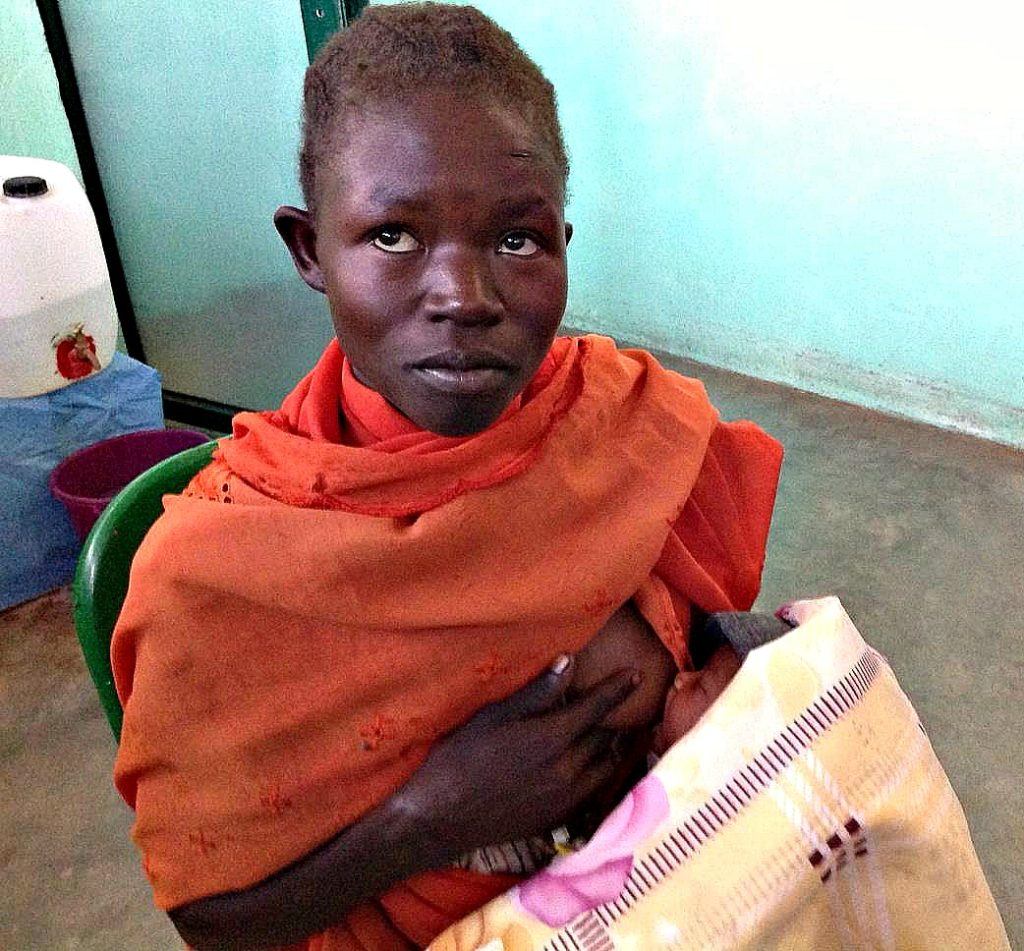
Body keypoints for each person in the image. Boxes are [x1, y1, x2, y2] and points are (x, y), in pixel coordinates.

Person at [110, 5, 783, 949]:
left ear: (562, 243)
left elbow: (704, 639)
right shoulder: (220, 570)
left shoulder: (626, 426)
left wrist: (735, 680)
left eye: (516, 240)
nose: (464, 298)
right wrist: (430, 815)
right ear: (310, 251)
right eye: (394, 236)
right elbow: (211, 917)